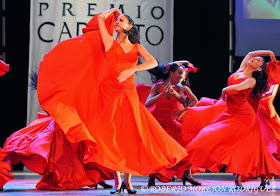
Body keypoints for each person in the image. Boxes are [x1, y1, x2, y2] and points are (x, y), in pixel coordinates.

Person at [36, 8, 187, 194]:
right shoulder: (110, 44)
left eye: (122, 21)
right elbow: (100, 19)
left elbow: (153, 63)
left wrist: (132, 70)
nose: (117, 23)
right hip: (109, 94)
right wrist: (114, 11)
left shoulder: (136, 48)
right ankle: (117, 183)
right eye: (117, 21)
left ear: (130, 27)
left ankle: (128, 182)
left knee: (128, 136)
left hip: (127, 93)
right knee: (111, 138)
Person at [185, 50, 280, 190]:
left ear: (259, 68)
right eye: (254, 59)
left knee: (246, 148)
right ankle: (189, 169)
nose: (253, 59)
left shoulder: (251, 80)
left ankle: (253, 176)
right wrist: (269, 53)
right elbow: (250, 54)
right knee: (208, 135)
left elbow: (236, 87)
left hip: (244, 117)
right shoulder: (241, 69)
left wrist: (225, 89)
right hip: (229, 113)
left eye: (257, 61)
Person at [140, 61, 200, 186]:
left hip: (171, 122)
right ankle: (151, 177)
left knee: (189, 146)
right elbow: (147, 103)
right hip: (157, 123)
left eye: (183, 74)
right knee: (156, 151)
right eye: (179, 73)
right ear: (171, 73)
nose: (182, 76)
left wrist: (176, 94)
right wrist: (162, 94)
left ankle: (186, 174)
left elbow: (184, 100)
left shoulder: (180, 87)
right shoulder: (157, 86)